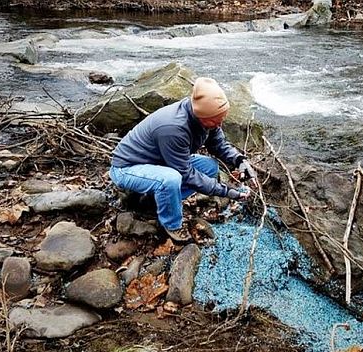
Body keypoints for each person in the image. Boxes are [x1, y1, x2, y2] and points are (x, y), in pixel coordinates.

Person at [109, 77, 257, 242]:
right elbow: (186, 174)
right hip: (127, 168)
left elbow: (219, 145)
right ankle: (172, 225)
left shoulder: (208, 118)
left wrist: (240, 161)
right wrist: (226, 191)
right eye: (216, 120)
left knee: (210, 167)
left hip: (159, 161)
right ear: (201, 116)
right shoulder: (173, 128)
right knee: (170, 179)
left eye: (222, 119)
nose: (219, 124)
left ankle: (156, 201)